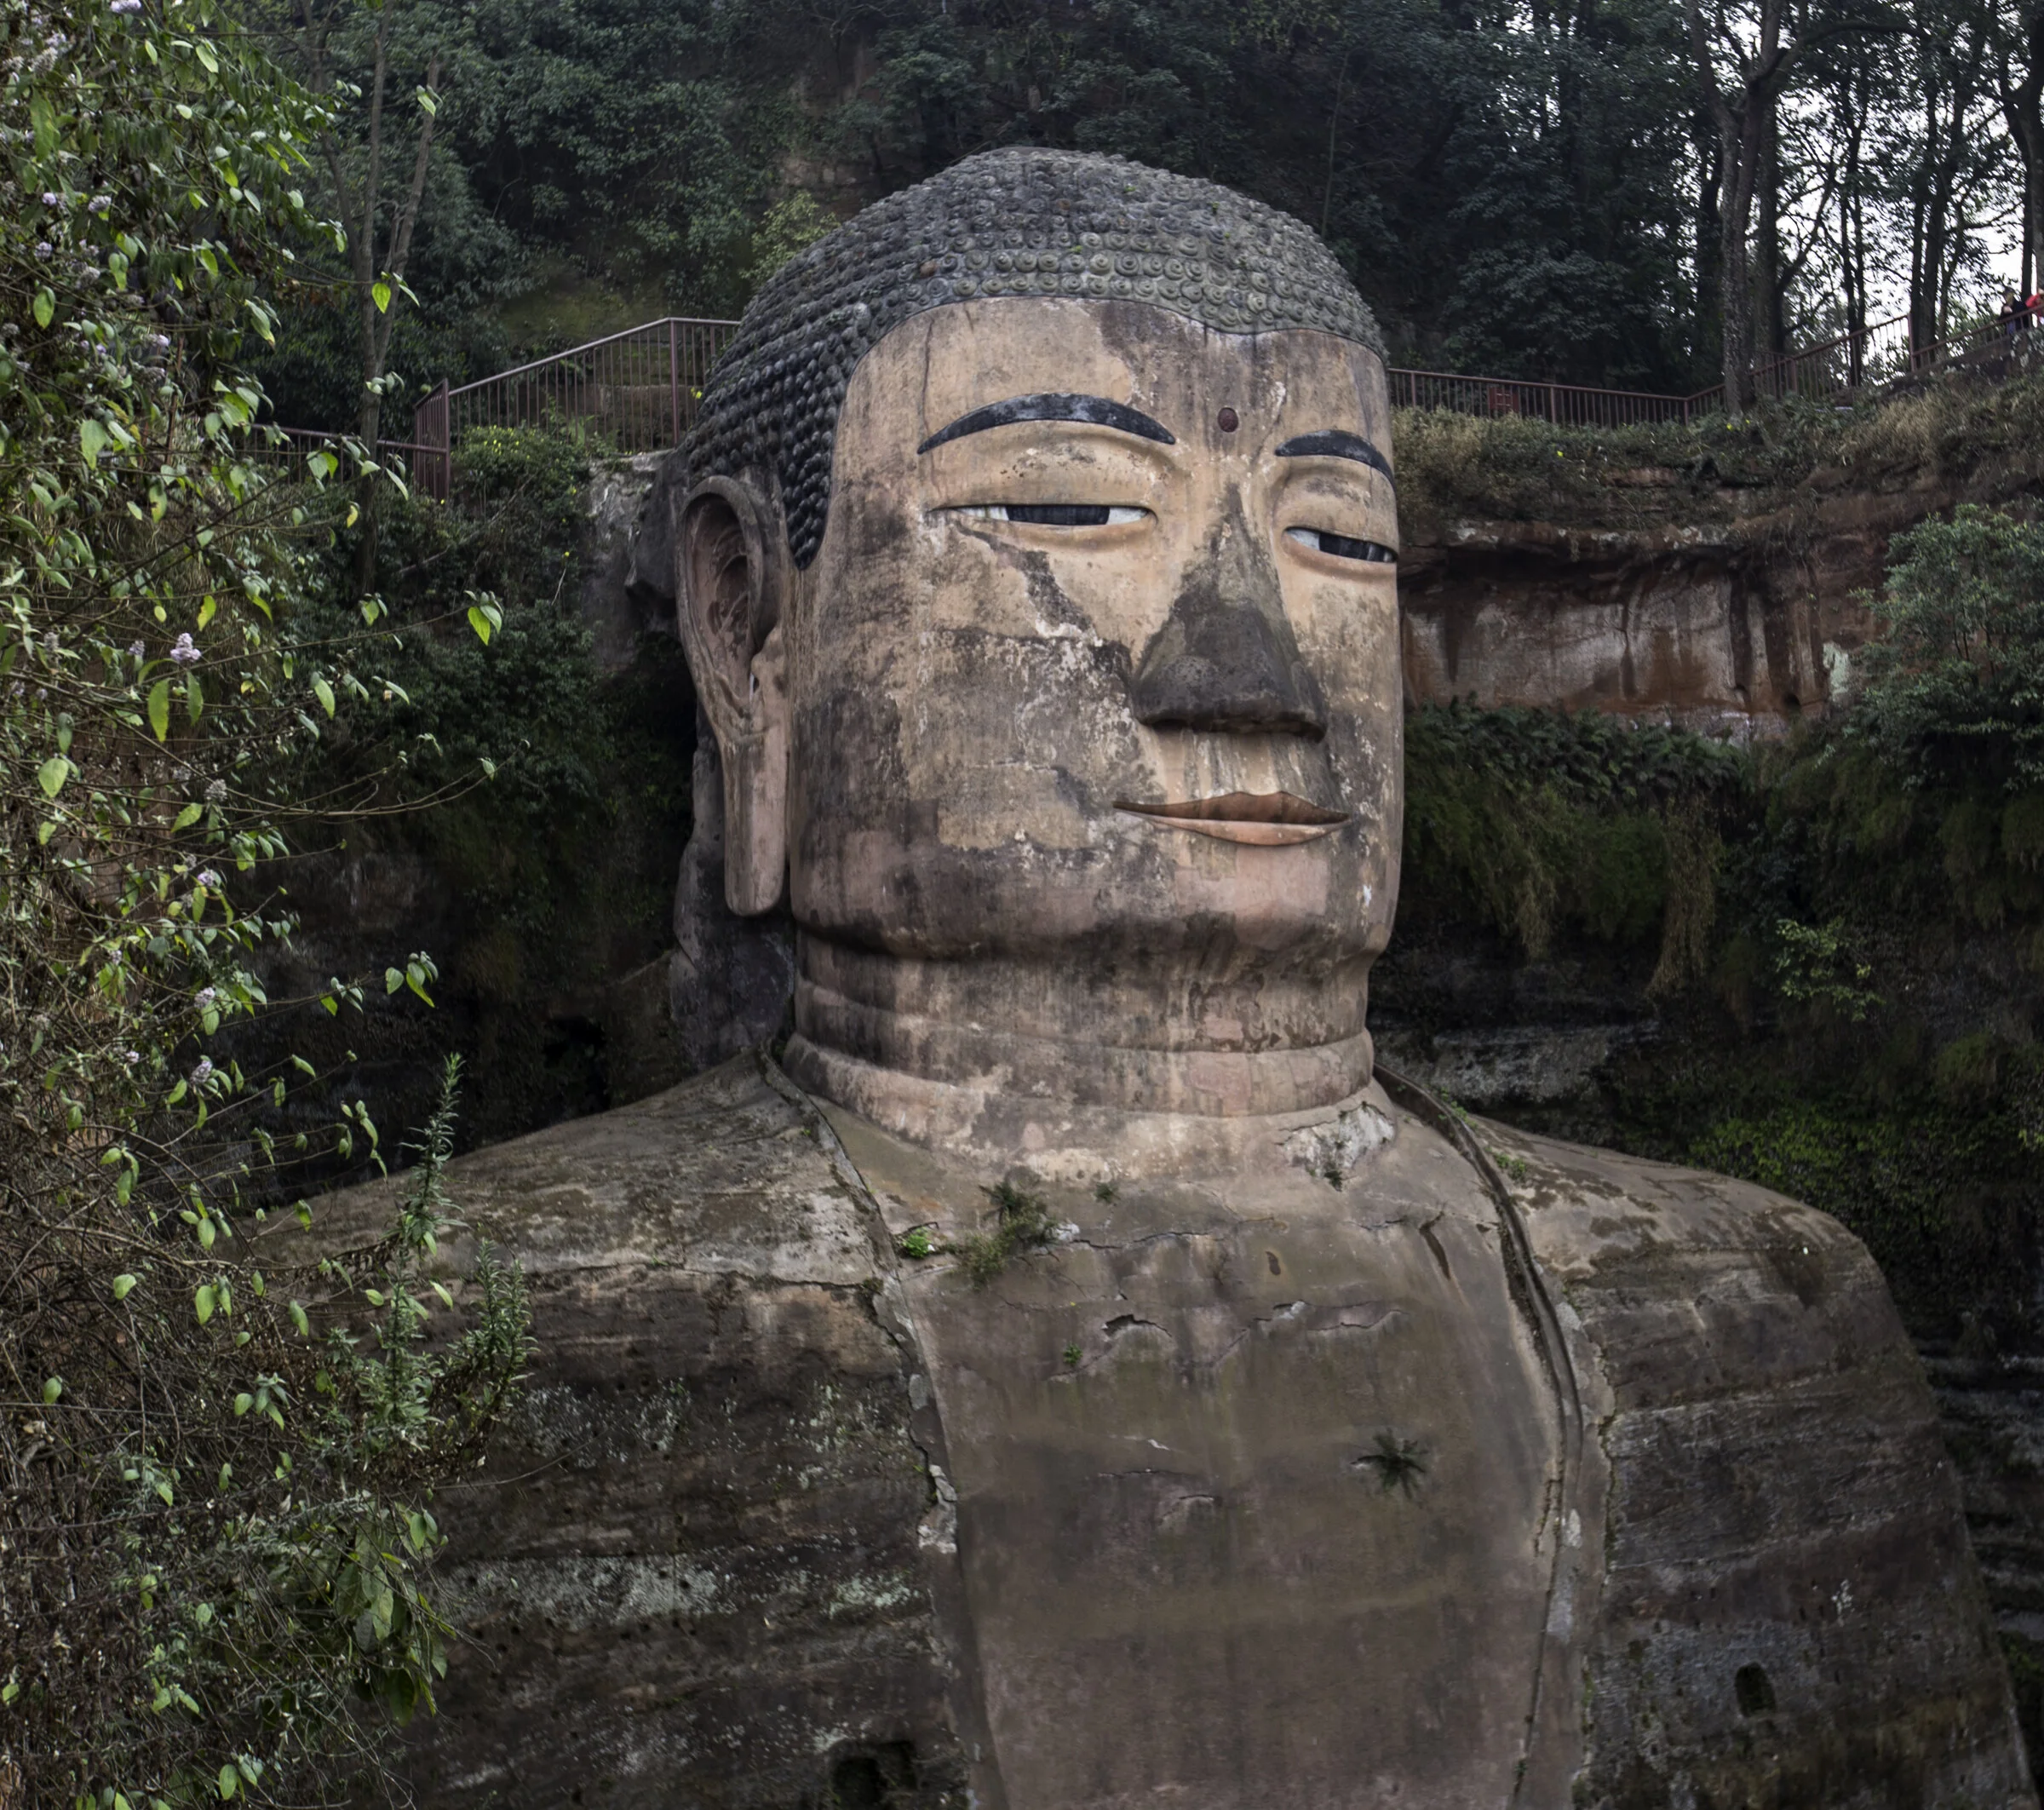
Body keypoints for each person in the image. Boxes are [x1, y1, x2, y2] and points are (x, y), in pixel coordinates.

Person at [330, 150, 2031, 1809]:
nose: (1251, 670)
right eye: (1070, 507)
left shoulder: (1748, 1312)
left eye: (1340, 539)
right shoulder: (425, 1362)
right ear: (744, 627)